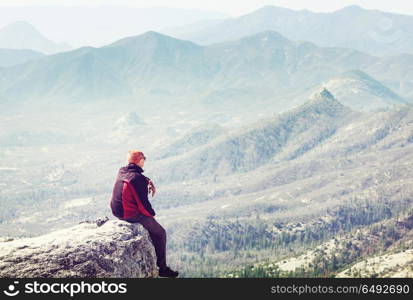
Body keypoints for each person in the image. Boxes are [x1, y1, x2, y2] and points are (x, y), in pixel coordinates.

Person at [110, 150, 179, 278]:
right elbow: (143, 204)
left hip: (116, 211)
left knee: (153, 229)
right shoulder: (137, 179)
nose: (145, 160)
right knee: (160, 233)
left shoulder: (122, 171)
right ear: (140, 161)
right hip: (129, 214)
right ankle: (162, 269)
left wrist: (147, 180)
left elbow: (132, 178)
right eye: (144, 158)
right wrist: (151, 216)